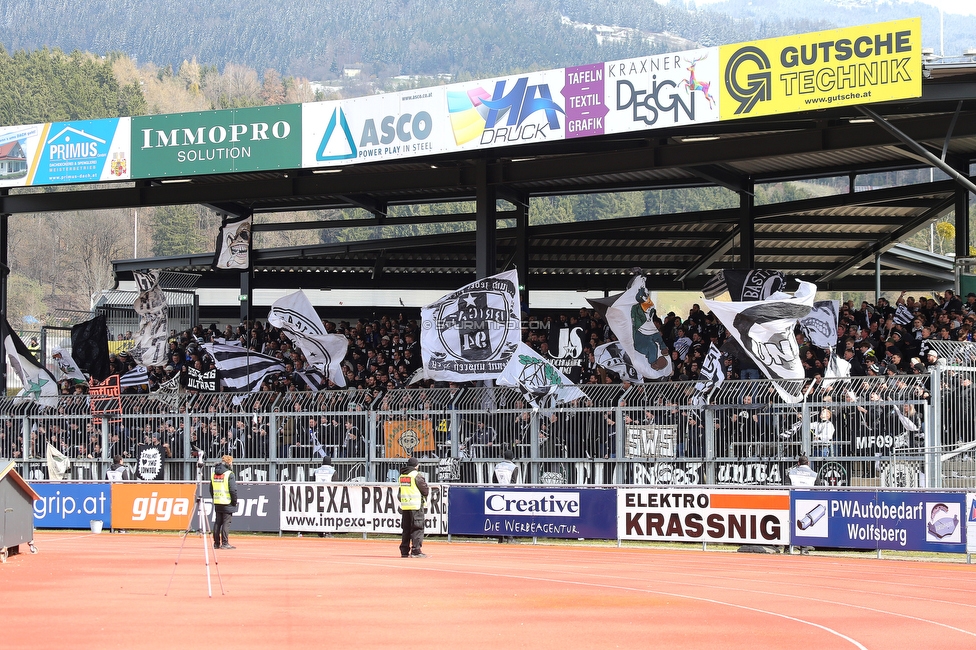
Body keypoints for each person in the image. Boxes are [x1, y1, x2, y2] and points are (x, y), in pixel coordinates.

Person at [398, 456, 429, 558]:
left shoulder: (402, 476)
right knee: (417, 528)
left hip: (405, 506)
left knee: (406, 529)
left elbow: (400, 492)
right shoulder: (416, 475)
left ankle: (404, 551)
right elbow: (425, 490)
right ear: (416, 465)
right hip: (415, 506)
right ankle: (416, 551)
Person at [209, 454, 238, 550]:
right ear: (229, 463)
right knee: (226, 523)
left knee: (218, 522)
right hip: (227, 501)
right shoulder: (229, 474)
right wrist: (234, 502)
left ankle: (216, 543)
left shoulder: (214, 473)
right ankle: (225, 543)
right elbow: (233, 490)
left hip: (217, 501)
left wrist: (215, 498)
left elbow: (211, 489)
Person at [492, 449, 520, 544]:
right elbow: (513, 482)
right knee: (509, 515)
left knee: (500, 515)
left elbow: (494, 481)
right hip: (509, 493)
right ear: (512, 457)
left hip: (498, 492)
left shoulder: (497, 466)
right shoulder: (514, 467)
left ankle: (500, 537)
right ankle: (510, 537)